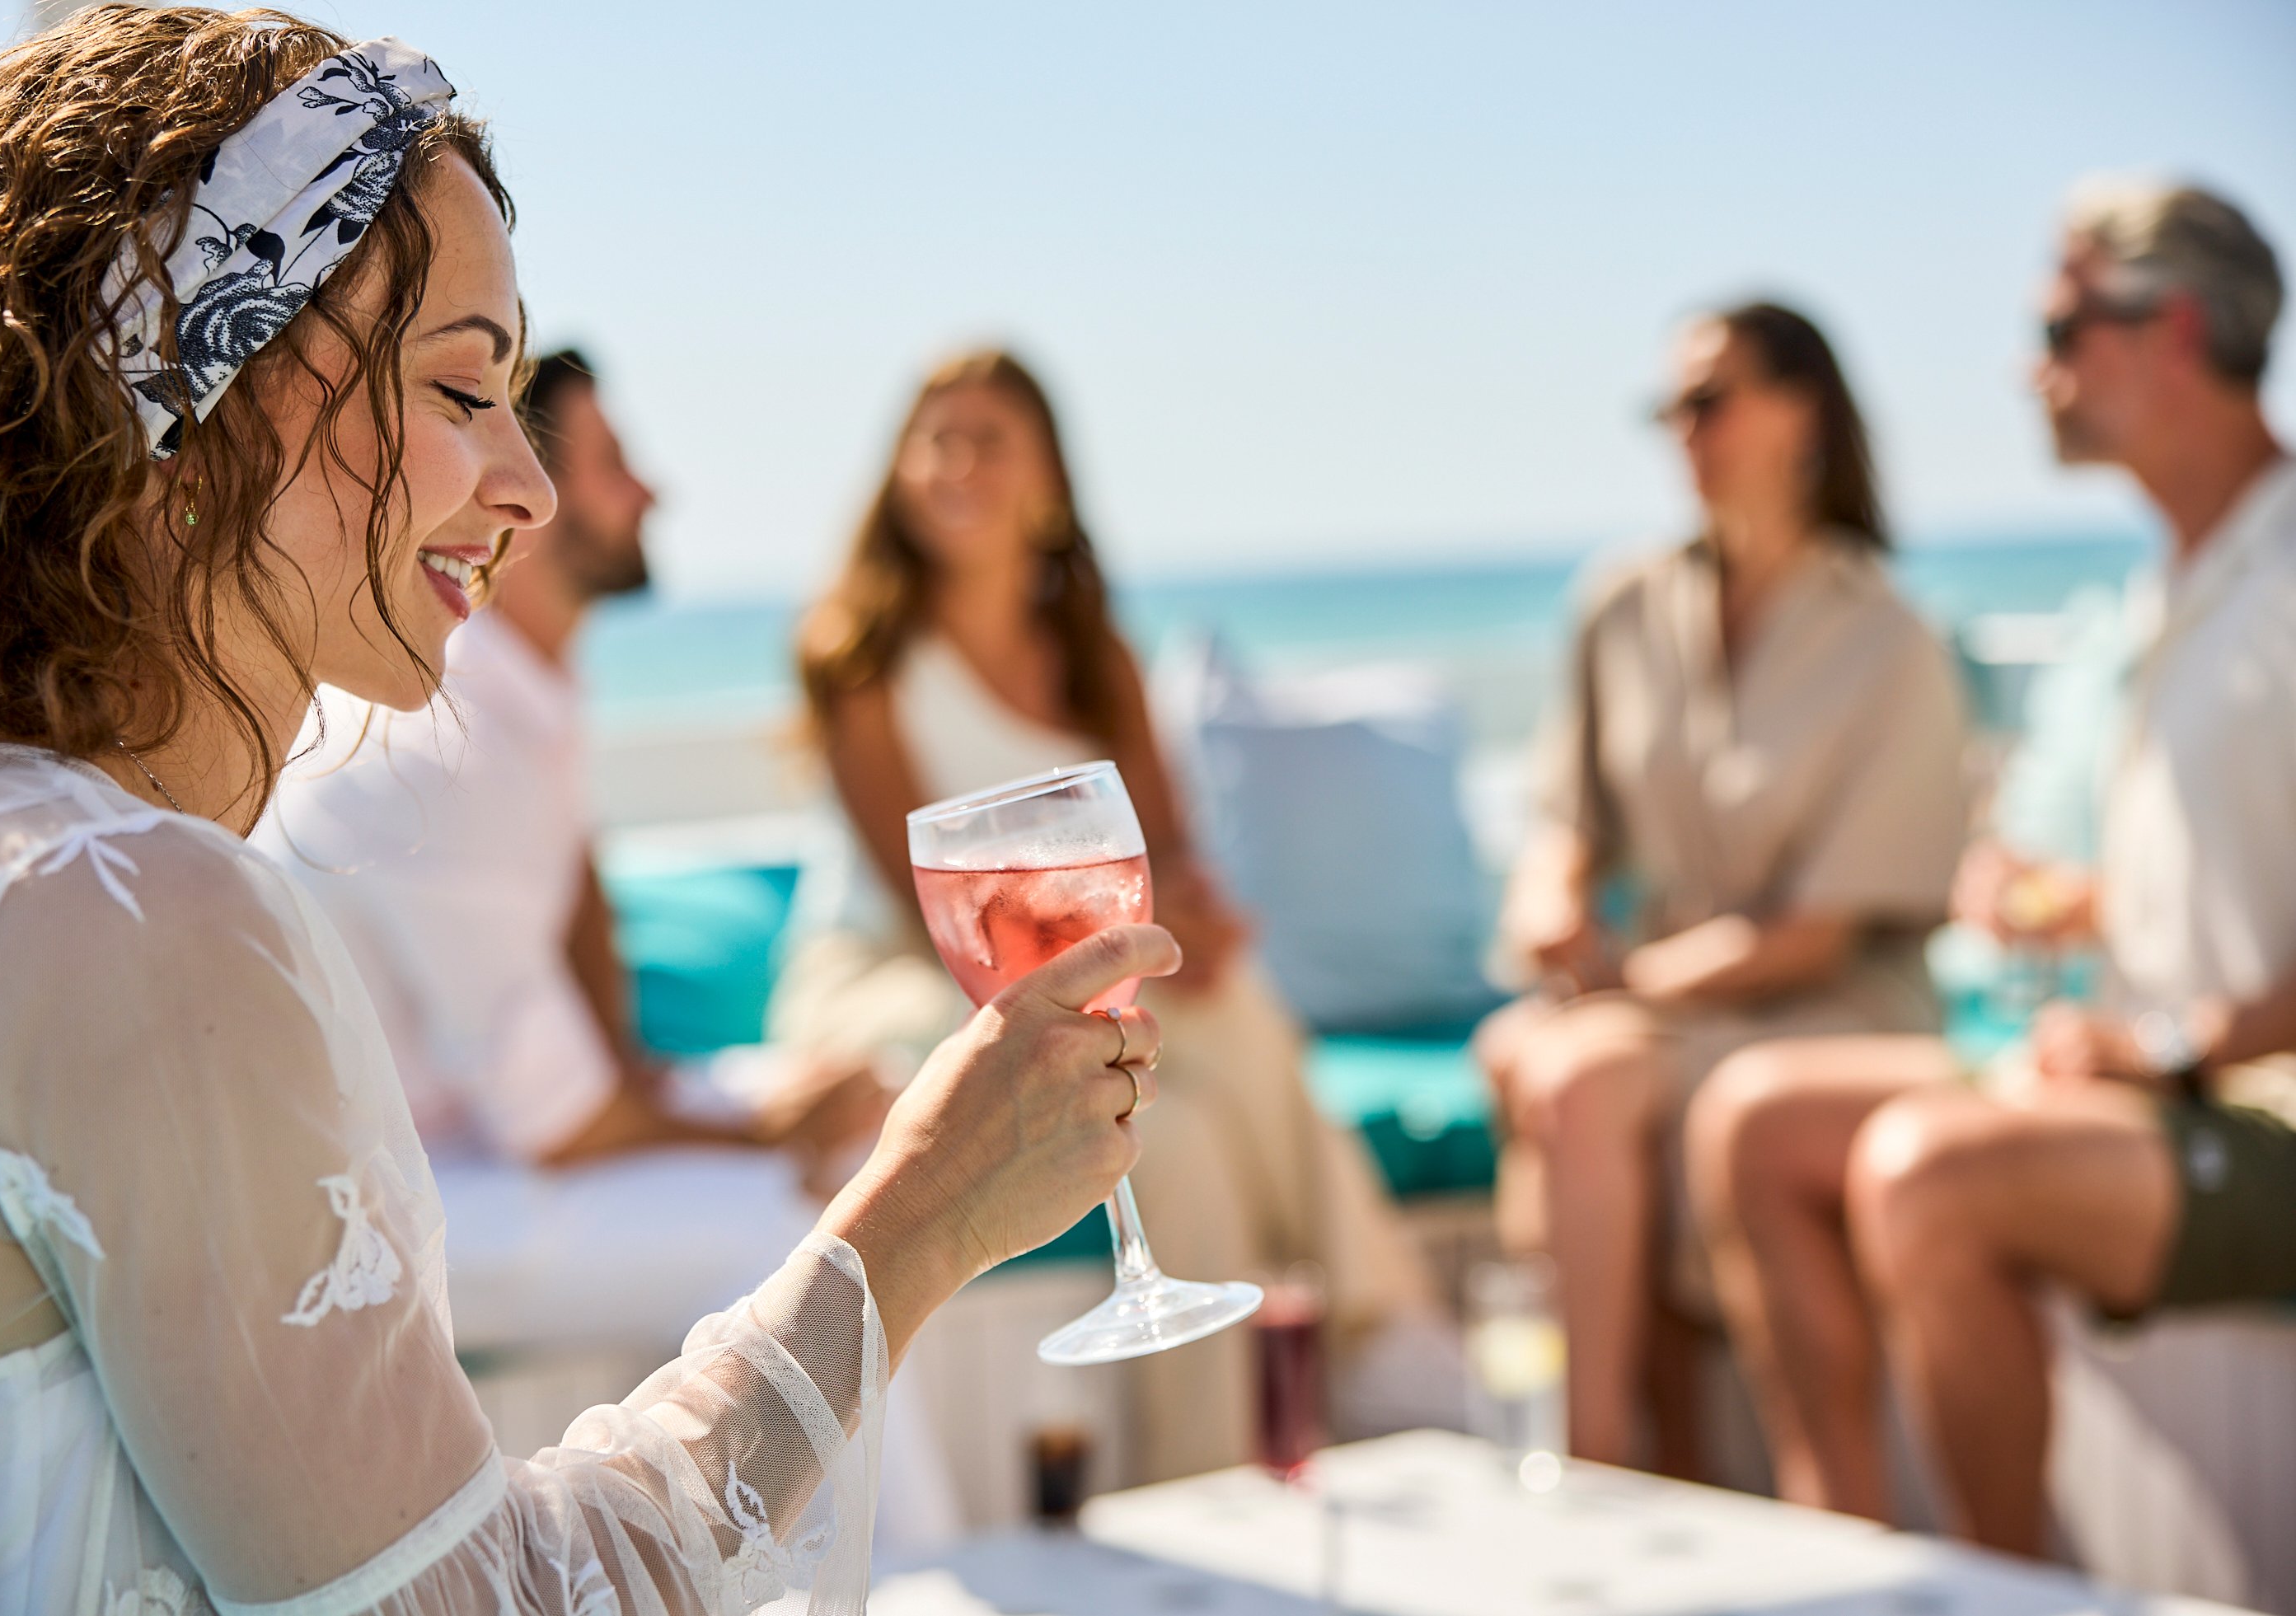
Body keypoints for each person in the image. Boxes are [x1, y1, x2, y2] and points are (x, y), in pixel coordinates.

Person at [0, 12, 1171, 1612]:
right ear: (206, 394)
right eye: (462, 388)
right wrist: (916, 1217)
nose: (530, 488)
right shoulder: (125, 916)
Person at [1688, 179, 2296, 1556]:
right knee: (1751, 1119)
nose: (2032, 368)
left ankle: (1998, 1591)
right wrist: (2077, 902)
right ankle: (1836, 1565)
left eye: (2059, 324)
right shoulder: (2181, 587)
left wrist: (2163, 1046)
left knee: (1923, 1173)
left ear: (2172, 330)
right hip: (2160, 1082)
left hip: (2255, 1103)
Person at [773, 348, 1455, 1482]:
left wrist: (1198, 919)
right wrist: (1128, 933)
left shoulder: (1100, 664)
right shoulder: (858, 661)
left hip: (1061, 953)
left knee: (1229, 1021)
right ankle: (1247, 1450)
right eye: (933, 438)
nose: (956, 464)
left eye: (988, 438)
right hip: (898, 974)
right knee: (1167, 1128)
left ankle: (1360, 1347)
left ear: (1049, 481)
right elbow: (941, 910)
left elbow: (1166, 860)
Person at [255, 349, 893, 1358]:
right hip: (372, 1205)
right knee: (810, 1230)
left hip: (468, 1138)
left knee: (877, 1126)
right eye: (612, 462)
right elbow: (552, 1118)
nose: (650, 490)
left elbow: (583, 953)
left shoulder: (519, 704)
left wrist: (768, 1106)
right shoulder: (440, 745)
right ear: (521, 501)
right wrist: (768, 1131)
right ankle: (891, 1528)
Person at [1477, 302, 1970, 1471]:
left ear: (1803, 411)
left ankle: (1582, 1466)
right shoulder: (1622, 605)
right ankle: (1636, 1467)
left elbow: (1816, 935)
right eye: (1669, 408)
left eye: (1708, 399)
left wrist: (1622, 984)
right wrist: (1551, 906)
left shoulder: (1888, 641)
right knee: (1546, 1061)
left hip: (1821, 1013)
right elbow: (1567, 824)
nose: (1680, 431)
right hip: (1672, 1004)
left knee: (1577, 1074)